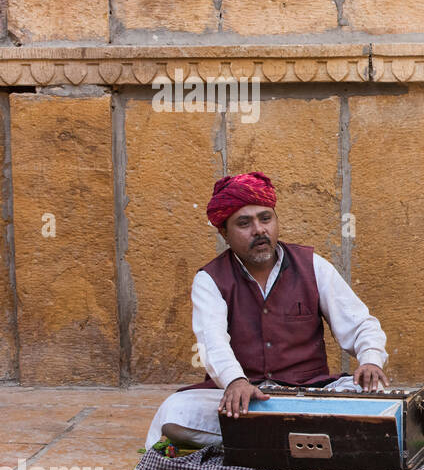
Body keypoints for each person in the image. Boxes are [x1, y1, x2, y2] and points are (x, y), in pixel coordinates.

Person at [143, 172, 390, 449]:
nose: (259, 230)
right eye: (244, 223)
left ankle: (260, 442)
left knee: (376, 393)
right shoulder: (210, 279)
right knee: (176, 412)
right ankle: (309, 439)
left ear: (276, 220)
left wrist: (370, 360)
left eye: (265, 218)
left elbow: (360, 324)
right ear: (224, 232)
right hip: (247, 399)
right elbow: (211, 342)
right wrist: (235, 381)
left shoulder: (313, 266)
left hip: (309, 394)